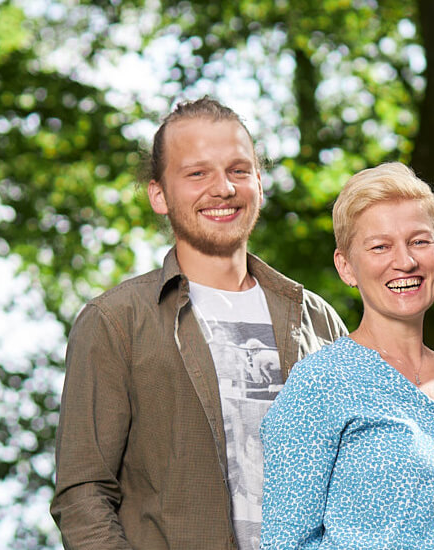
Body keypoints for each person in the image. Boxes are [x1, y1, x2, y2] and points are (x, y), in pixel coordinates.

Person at [51, 98, 349, 549]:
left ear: (259, 183)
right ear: (158, 194)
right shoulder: (116, 322)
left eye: (238, 170)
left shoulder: (318, 320)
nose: (223, 188)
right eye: (197, 174)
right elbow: (83, 494)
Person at [260, 162, 434, 549]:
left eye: (419, 241)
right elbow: (285, 543)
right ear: (346, 266)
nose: (404, 261)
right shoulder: (320, 383)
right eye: (380, 246)